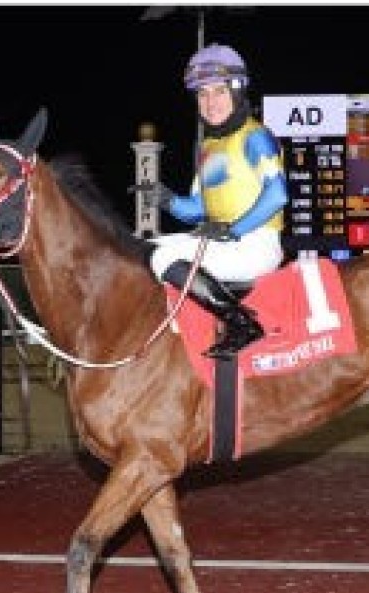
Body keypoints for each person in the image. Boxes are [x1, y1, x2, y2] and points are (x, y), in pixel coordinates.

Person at [133, 42, 289, 359]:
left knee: (160, 258)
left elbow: (278, 195)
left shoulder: (255, 136)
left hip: (255, 244)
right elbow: (199, 209)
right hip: (227, 241)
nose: (210, 102)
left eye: (218, 92)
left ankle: (241, 323)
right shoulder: (211, 148)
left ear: (236, 91)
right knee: (147, 245)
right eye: (202, 95)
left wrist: (234, 229)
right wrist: (165, 199)